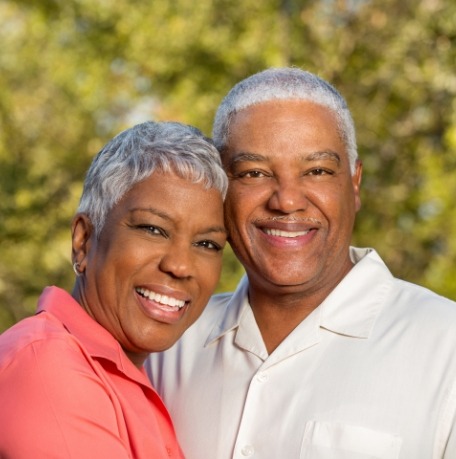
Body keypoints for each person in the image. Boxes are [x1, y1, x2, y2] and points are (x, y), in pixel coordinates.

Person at [147, 68, 456, 458]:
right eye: (254, 172)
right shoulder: (169, 345)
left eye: (317, 171)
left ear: (355, 183)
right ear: (220, 187)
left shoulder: (446, 347)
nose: (287, 200)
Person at [0, 121, 228, 458]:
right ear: (84, 240)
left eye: (207, 243)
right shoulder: (46, 365)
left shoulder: (131, 375)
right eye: (153, 229)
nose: (180, 266)